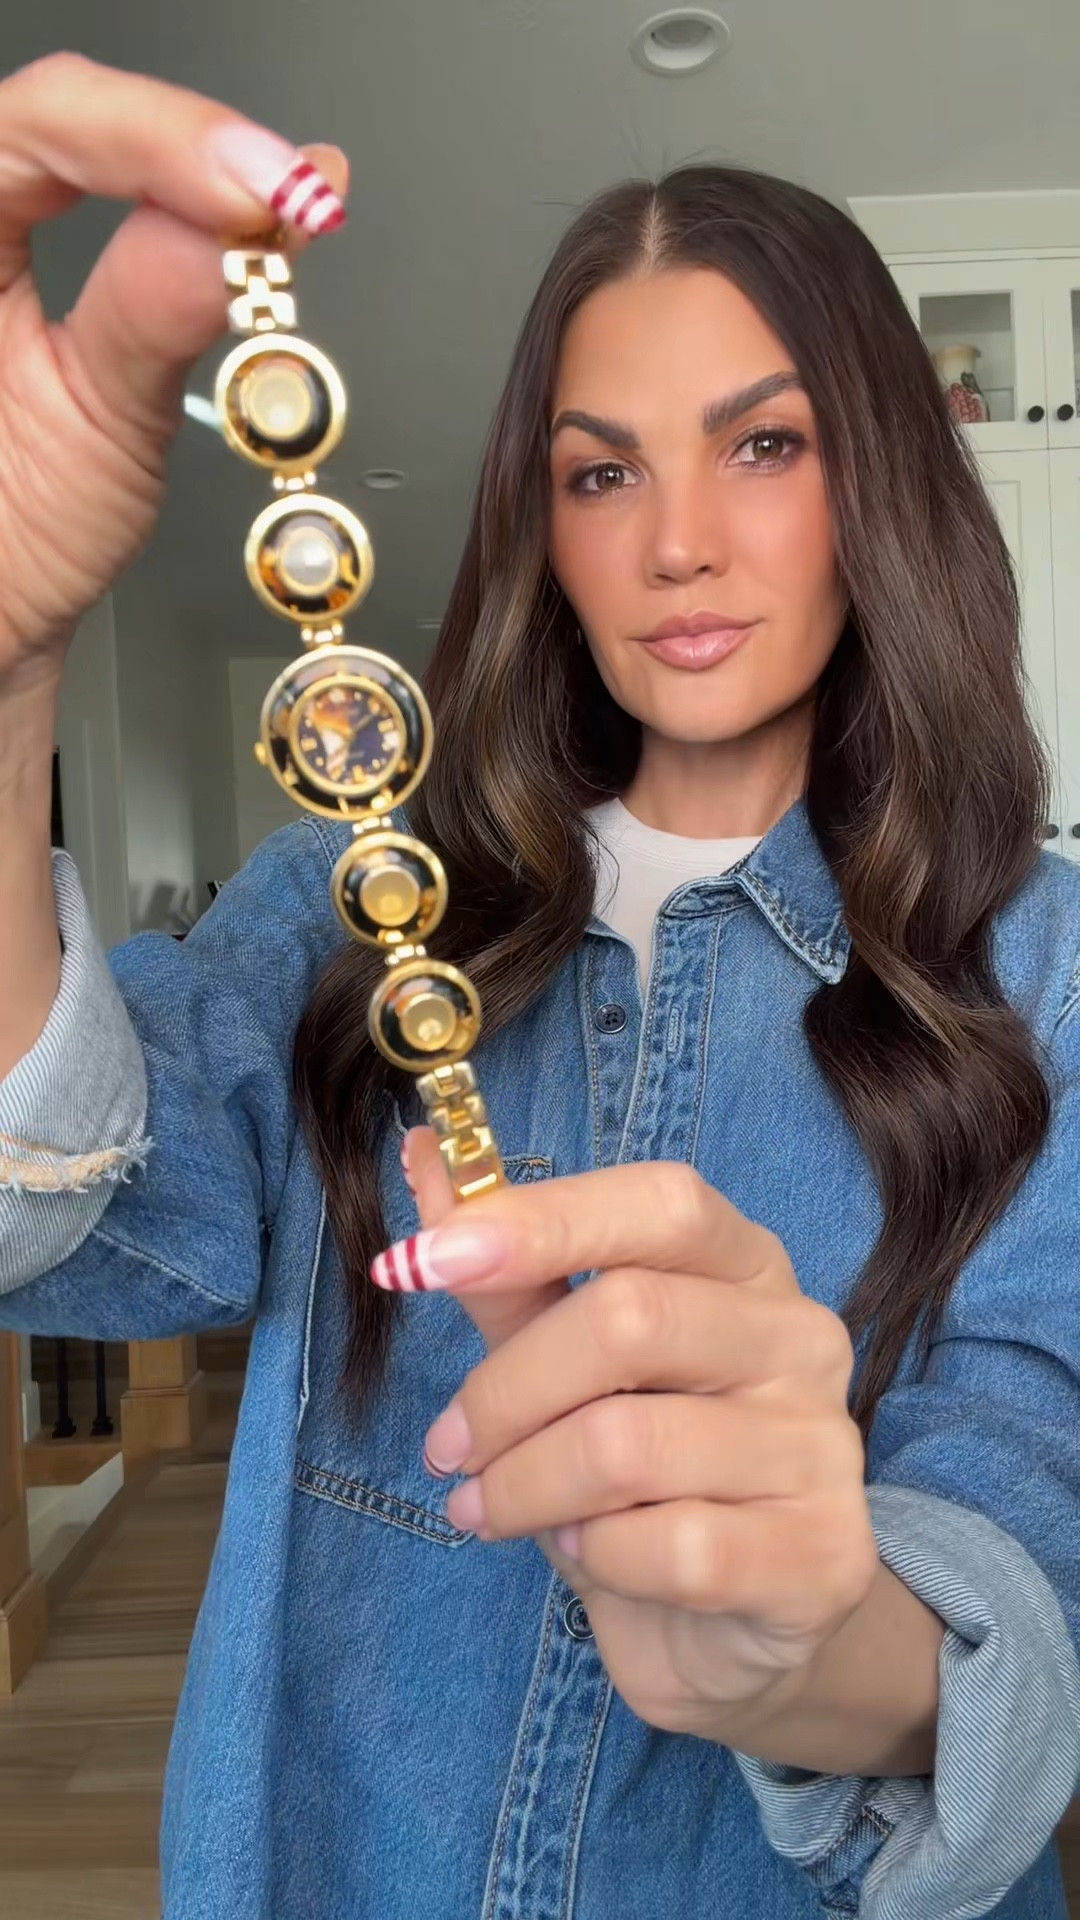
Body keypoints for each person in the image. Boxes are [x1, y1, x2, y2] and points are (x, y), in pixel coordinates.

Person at [0, 49, 1077, 1920]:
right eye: (602, 471)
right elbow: (66, 1212)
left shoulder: (1048, 972)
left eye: (765, 442)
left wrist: (806, 1645)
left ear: (878, 477)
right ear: (543, 523)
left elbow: (1027, 1535)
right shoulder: (347, 906)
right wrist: (11, 683)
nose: (676, 541)